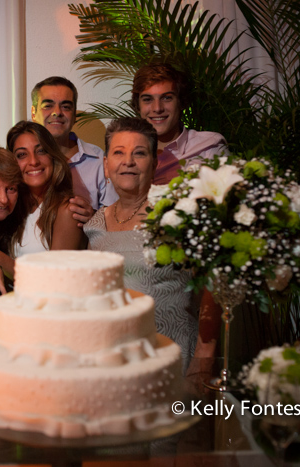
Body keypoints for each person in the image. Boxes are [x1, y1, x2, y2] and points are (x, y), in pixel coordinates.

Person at [84, 117, 199, 371]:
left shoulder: (175, 215)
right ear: (106, 165)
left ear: (155, 163)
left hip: (170, 358)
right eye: (118, 153)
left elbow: (212, 285)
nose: (128, 162)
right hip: (111, 362)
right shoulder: (95, 224)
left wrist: (204, 357)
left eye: (140, 153)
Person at [31, 76, 118, 224]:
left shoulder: (98, 160)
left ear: (74, 116)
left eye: (66, 106)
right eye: (48, 105)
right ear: (33, 113)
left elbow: (117, 216)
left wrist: (94, 218)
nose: (57, 112)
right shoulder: (22, 160)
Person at [131, 63, 229, 185]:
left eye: (167, 98)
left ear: (181, 102)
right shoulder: (126, 152)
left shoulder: (209, 148)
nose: (157, 108)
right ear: (138, 105)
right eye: (147, 99)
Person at [6, 121, 86, 257]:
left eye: (41, 151)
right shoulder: (13, 208)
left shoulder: (67, 211)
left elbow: (54, 276)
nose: (34, 161)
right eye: (22, 155)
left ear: (53, 156)